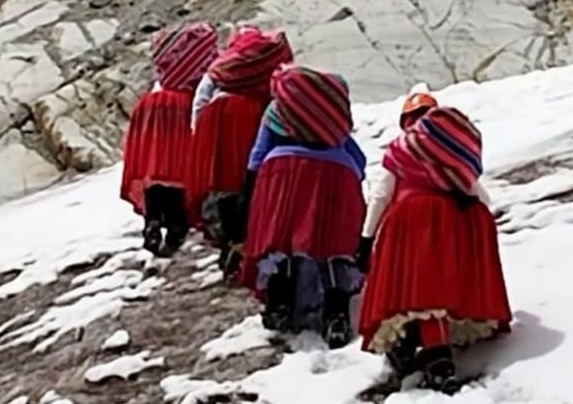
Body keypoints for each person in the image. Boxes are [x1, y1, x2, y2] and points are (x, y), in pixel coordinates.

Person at [356, 105, 512, 393]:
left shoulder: (402, 150)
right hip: (451, 223)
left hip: (409, 224)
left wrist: (366, 238)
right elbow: (480, 196)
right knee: (436, 295)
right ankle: (437, 357)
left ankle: (423, 357)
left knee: (414, 296)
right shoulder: (452, 150)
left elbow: (381, 195)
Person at [237, 64, 367, 347]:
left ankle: (279, 306)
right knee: (334, 248)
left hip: (282, 172)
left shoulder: (276, 111)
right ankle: (337, 314)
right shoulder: (335, 118)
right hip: (335, 174)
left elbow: (257, 155)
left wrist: (250, 193)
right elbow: (358, 159)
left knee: (280, 243)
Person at [189, 25, 294, 273]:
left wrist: (199, 131)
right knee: (249, 176)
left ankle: (230, 241)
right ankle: (249, 238)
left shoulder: (223, 65)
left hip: (216, 120)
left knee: (222, 180)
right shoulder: (268, 60)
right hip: (251, 119)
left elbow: (201, 97)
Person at [120, 22, 218, 256]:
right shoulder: (202, 53)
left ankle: (152, 220)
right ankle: (176, 228)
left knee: (154, 168)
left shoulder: (167, 53)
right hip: (182, 105)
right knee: (178, 170)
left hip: (152, 105)